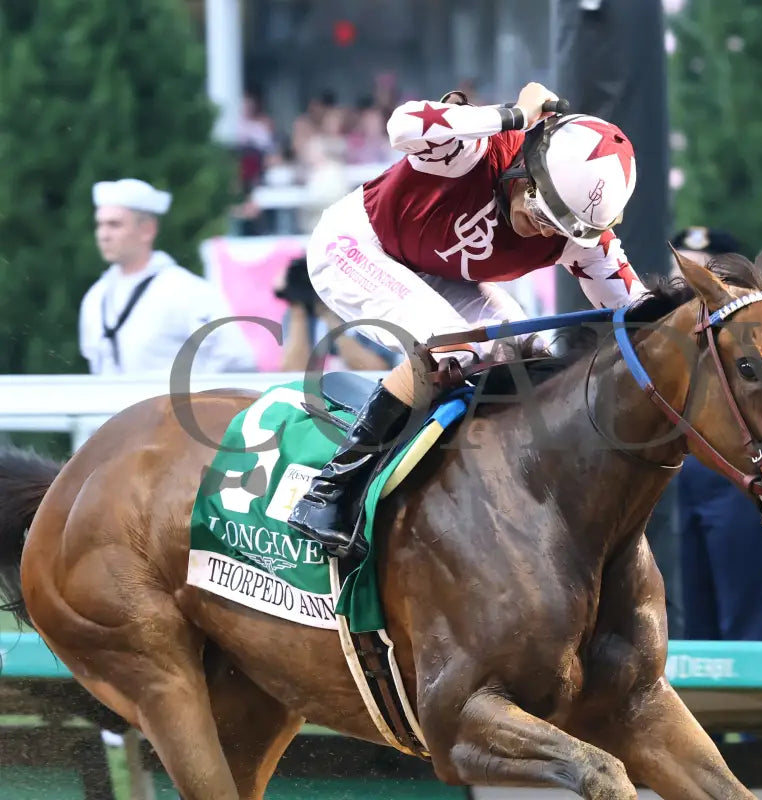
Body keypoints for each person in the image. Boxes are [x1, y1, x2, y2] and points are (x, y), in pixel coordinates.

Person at [286, 81, 645, 557]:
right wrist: (511, 115)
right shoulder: (475, 150)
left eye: (559, 229)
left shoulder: (583, 241)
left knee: (528, 355)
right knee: (451, 344)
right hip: (354, 245)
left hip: (429, 270)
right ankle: (331, 492)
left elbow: (640, 320)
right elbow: (404, 124)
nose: (541, 232)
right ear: (524, 168)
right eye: (541, 213)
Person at [667, 226, 762, 643]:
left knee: (748, 607)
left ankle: (758, 706)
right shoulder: (663, 333)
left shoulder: (754, 334)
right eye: (683, 264)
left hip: (742, 475)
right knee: (685, 609)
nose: (689, 277)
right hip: (676, 478)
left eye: (703, 269)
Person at [79, 179, 256, 374]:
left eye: (115, 224)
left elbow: (236, 359)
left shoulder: (185, 290)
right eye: (100, 224)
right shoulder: (96, 297)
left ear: (147, 230)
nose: (103, 234)